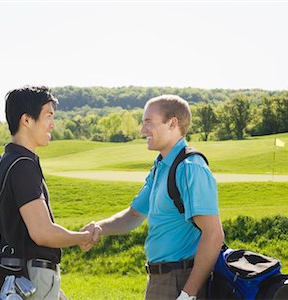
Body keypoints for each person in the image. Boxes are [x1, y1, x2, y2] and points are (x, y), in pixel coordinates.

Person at [82, 95, 225, 300]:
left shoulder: (190, 168)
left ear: (172, 123)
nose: (142, 131)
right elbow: (133, 215)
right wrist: (99, 228)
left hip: (181, 280)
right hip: (161, 280)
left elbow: (214, 235)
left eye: (148, 122)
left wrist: (188, 295)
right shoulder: (161, 166)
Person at [0, 86, 100, 300]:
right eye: (48, 116)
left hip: (14, 275)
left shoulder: (4, 161)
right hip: (32, 279)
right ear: (27, 120)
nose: (53, 124)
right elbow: (42, 233)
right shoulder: (23, 165)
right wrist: (84, 237)